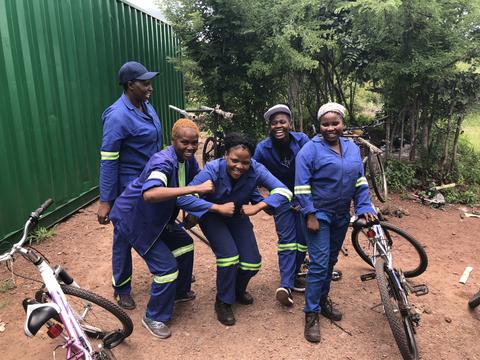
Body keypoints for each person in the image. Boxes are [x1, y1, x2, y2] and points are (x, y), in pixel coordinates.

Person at [109, 119, 234, 338]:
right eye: (184, 142)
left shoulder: (188, 160)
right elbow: (151, 194)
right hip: (136, 220)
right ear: (172, 140)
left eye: (194, 143)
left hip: (159, 218)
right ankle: (154, 316)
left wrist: (198, 209)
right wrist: (204, 196)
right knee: (166, 269)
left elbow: (191, 193)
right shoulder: (163, 162)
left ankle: (179, 292)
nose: (190, 147)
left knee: (185, 244)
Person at [177, 133, 292, 326]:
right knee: (229, 258)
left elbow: (284, 191)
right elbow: (184, 198)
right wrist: (215, 207)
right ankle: (223, 301)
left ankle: (237, 290)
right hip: (212, 216)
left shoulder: (257, 170)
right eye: (234, 160)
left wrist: (257, 207)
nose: (239, 166)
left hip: (237, 216)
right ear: (225, 155)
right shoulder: (212, 170)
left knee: (252, 263)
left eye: (245, 162)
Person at [294, 102, 377, 343]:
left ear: (342, 123)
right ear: (319, 125)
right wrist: (309, 213)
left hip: (341, 214)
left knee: (330, 260)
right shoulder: (309, 150)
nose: (330, 128)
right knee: (319, 263)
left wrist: (363, 206)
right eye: (325, 124)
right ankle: (311, 313)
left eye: (335, 123)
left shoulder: (352, 148)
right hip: (318, 213)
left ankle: (322, 299)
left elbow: (359, 180)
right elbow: (301, 185)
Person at [97, 61, 162, 310]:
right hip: (129, 185)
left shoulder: (145, 105)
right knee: (123, 234)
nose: (150, 87)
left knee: (158, 221)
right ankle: (121, 288)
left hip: (151, 178)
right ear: (130, 84)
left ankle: (170, 270)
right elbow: (109, 161)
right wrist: (106, 200)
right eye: (145, 83)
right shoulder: (117, 115)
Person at [253, 104, 309, 306]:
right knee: (287, 239)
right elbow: (252, 175)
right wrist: (261, 201)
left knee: (303, 239)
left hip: (305, 197)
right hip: (281, 199)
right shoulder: (262, 148)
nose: (279, 125)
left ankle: (293, 276)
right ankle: (285, 285)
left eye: (282, 121)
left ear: (290, 124)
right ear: (270, 125)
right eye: (274, 122)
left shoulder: (302, 140)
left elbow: (314, 165)